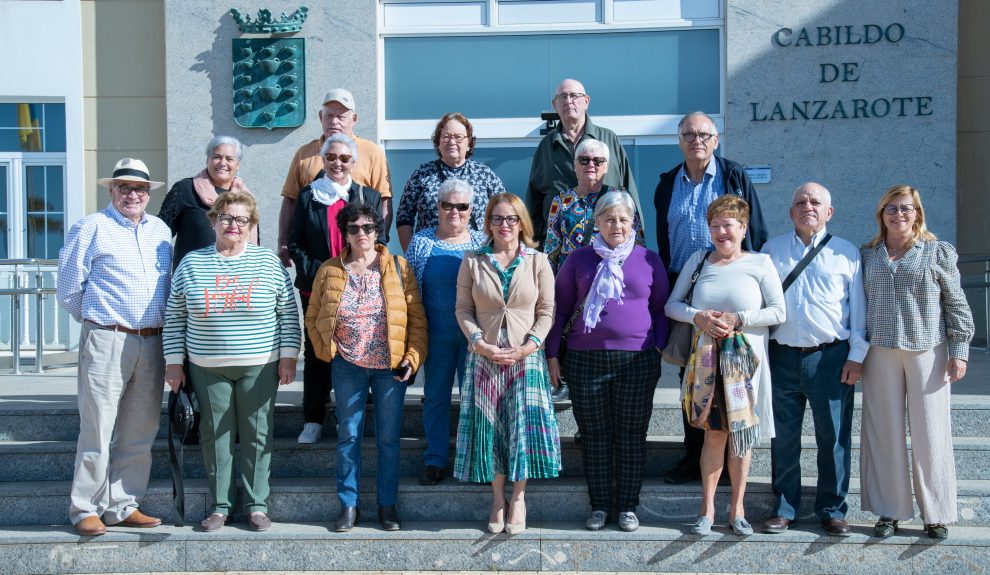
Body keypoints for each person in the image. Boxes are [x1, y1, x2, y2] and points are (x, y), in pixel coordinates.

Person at [162, 191, 300, 532]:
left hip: (260, 363)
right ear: (213, 222)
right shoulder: (191, 263)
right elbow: (176, 316)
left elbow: (287, 314)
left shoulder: (268, 262)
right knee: (215, 434)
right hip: (207, 366)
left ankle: (256, 505)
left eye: (242, 219)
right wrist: (173, 362)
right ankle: (220, 506)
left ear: (252, 225)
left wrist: (288, 356)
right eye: (226, 218)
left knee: (256, 434)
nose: (233, 225)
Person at [56, 158, 172, 536]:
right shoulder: (91, 226)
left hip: (152, 341)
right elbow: (69, 289)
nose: (132, 194)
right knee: (98, 427)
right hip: (107, 338)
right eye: (124, 187)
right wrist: (99, 323)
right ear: (112, 190)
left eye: (139, 189)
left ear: (148, 194)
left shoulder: (159, 229)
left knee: (140, 428)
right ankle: (85, 507)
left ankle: (123, 504)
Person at [654, 111, 768, 485]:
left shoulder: (734, 176)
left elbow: (756, 233)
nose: (696, 140)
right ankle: (693, 458)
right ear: (679, 140)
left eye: (704, 134)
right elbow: (665, 239)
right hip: (688, 291)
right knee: (692, 376)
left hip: (733, 292)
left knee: (735, 382)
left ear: (716, 139)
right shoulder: (667, 183)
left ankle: (735, 466)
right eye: (688, 134)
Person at [544, 191, 669, 532]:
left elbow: (660, 309)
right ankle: (599, 505)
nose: (617, 225)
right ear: (596, 222)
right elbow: (561, 309)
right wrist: (553, 354)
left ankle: (627, 505)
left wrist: (658, 346)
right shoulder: (579, 259)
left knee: (631, 434)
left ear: (633, 224)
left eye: (623, 219)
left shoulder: (648, 260)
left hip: (637, 360)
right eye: (609, 218)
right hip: (585, 361)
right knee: (595, 435)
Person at [664, 194, 784, 536]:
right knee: (714, 436)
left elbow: (778, 311)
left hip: (745, 369)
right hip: (705, 366)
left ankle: (738, 510)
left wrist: (739, 318)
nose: (720, 232)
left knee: (742, 438)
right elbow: (672, 305)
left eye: (727, 225)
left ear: (743, 228)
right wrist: (698, 316)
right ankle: (706, 511)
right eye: (714, 225)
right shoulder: (699, 260)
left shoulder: (760, 263)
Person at [860, 185, 974, 540]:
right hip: (879, 351)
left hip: (928, 349)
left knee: (930, 432)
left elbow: (956, 303)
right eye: (891, 209)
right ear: (881, 214)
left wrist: (959, 349)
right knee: (884, 433)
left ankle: (936, 513)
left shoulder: (937, 252)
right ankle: (889, 511)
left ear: (917, 212)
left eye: (905, 208)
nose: (898, 215)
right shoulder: (868, 254)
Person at [305, 202, 427, 532]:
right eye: (354, 228)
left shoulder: (398, 268)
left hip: (389, 368)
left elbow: (416, 319)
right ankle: (348, 504)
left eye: (368, 227)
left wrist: (412, 357)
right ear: (344, 233)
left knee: (388, 439)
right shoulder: (329, 270)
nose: (362, 233)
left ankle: (387, 506)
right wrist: (327, 350)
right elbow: (313, 316)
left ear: (378, 231)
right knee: (348, 437)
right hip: (347, 365)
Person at [760, 183, 867, 537]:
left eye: (816, 201)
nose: (808, 206)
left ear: (829, 212)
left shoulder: (847, 253)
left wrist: (856, 356)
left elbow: (859, 313)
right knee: (784, 438)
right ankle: (785, 507)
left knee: (833, 438)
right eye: (801, 202)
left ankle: (832, 508)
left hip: (831, 358)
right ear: (791, 211)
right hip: (782, 357)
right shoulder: (770, 251)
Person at [453, 193, 561, 536]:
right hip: (484, 356)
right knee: (491, 428)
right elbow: (462, 310)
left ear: (521, 223)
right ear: (488, 223)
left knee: (522, 428)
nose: (504, 225)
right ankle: (497, 498)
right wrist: (479, 343)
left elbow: (547, 310)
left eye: (511, 219)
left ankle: (519, 497)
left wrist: (530, 346)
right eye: (497, 219)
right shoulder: (473, 259)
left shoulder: (539, 261)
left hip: (525, 356)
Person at [288, 132, 384, 444]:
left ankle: (353, 418)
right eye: (331, 157)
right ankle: (313, 418)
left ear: (353, 162)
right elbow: (296, 243)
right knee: (318, 352)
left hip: (359, 287)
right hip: (316, 288)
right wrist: (321, 276)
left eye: (344, 158)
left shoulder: (367, 196)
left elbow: (376, 241)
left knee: (359, 350)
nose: (337, 163)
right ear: (323, 160)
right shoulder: (307, 196)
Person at [405, 178, 486, 485]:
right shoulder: (422, 241)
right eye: (448, 205)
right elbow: (409, 289)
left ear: (471, 209)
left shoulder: (482, 243)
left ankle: (474, 457)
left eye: (462, 206)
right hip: (434, 334)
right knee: (435, 397)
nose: (455, 211)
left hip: (473, 338)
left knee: (474, 397)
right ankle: (435, 459)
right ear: (437, 207)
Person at [279, 88, 392, 264]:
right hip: (316, 258)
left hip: (360, 257)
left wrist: (378, 246)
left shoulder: (372, 153)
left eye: (341, 117)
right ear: (320, 117)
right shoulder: (304, 154)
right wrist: (283, 242)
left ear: (354, 119)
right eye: (329, 116)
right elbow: (291, 200)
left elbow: (383, 202)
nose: (334, 122)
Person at [526, 78, 640, 246]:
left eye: (574, 95)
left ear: (586, 101)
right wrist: (534, 251)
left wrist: (638, 246)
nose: (568, 100)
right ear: (555, 104)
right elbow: (533, 206)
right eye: (562, 97)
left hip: (612, 251)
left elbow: (629, 195)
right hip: (562, 253)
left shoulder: (609, 139)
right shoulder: (545, 147)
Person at [396, 112, 506, 252]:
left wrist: (498, 252)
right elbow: (404, 218)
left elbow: (504, 213)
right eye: (446, 137)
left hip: (477, 256)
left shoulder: (485, 174)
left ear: (469, 143)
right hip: (430, 256)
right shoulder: (422, 174)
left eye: (458, 137)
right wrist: (412, 255)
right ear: (438, 142)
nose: (452, 142)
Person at [544, 139, 645, 273]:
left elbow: (637, 243)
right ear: (575, 165)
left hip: (613, 278)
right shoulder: (561, 201)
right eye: (584, 160)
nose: (591, 165)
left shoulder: (621, 198)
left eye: (598, 161)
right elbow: (551, 251)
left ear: (606, 167)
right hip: (572, 280)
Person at [158, 136, 257, 267]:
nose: (222, 163)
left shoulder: (246, 199)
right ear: (207, 160)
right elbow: (158, 233)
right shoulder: (185, 189)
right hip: (193, 278)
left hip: (236, 280)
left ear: (237, 165)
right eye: (216, 157)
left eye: (229, 159)